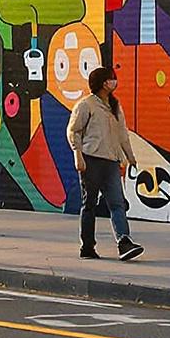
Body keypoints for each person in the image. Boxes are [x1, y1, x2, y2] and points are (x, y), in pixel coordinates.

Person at [67, 66, 143, 261]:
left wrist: (130, 157)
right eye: (111, 79)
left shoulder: (115, 107)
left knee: (117, 203)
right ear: (102, 83)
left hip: (111, 161)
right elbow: (73, 130)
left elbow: (122, 134)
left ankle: (124, 242)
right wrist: (78, 154)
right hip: (91, 160)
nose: (114, 82)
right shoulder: (86, 105)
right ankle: (87, 246)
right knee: (89, 204)